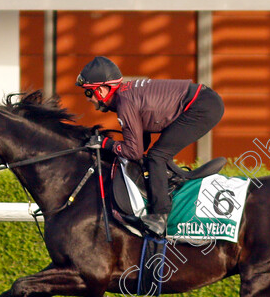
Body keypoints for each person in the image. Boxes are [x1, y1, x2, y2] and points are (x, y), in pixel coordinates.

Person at [77, 56, 224, 236]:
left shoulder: (125, 102)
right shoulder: (126, 96)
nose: (88, 99)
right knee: (156, 155)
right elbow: (140, 145)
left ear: (101, 90)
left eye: (88, 92)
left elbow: (133, 151)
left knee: (157, 156)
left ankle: (160, 217)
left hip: (202, 106)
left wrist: (104, 143)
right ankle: (167, 189)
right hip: (203, 100)